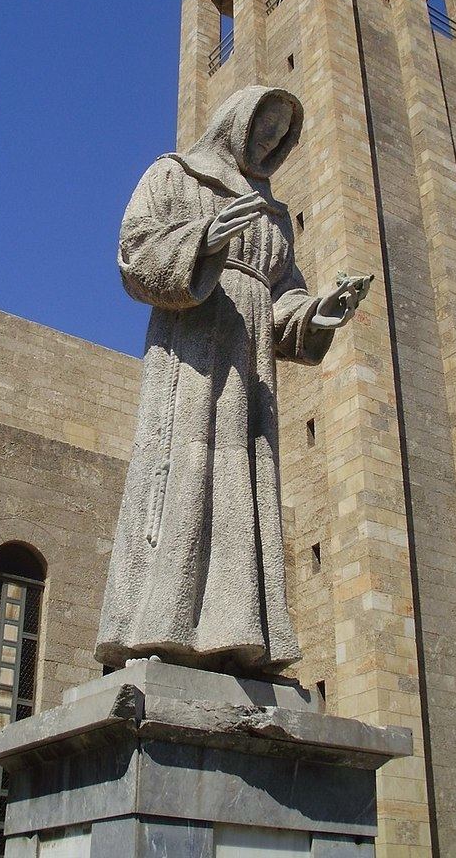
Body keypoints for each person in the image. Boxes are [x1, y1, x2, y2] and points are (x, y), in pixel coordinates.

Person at [95, 86, 371, 675]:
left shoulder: (272, 215)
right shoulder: (175, 175)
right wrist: (203, 240)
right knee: (188, 473)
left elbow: (282, 297)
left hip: (249, 374)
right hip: (193, 349)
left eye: (279, 137)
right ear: (236, 123)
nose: (269, 144)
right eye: (263, 130)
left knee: (242, 487)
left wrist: (319, 309)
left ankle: (236, 629)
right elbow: (134, 251)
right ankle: (162, 623)